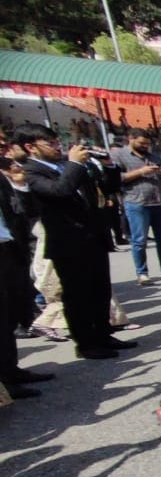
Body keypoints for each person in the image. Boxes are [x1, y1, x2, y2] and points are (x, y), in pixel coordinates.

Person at [17, 124, 124, 360]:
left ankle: (103, 334)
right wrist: (75, 164)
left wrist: (108, 166)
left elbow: (106, 188)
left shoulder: (67, 165)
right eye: (51, 144)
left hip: (93, 237)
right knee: (78, 295)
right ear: (30, 147)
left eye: (58, 143)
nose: (58, 148)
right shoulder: (32, 172)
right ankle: (85, 343)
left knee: (100, 289)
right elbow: (60, 191)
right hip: (68, 243)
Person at [0, 156, 53, 397]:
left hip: (9, 249)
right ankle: (5, 385)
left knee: (9, 316)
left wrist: (20, 187)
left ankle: (10, 371)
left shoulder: (4, 179)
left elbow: (25, 212)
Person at [111, 128, 161, 285]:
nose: (145, 146)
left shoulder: (154, 156)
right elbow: (115, 179)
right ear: (131, 139)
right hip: (137, 202)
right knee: (139, 240)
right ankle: (142, 273)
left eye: (147, 144)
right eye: (142, 143)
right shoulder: (119, 155)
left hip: (159, 201)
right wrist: (141, 171)